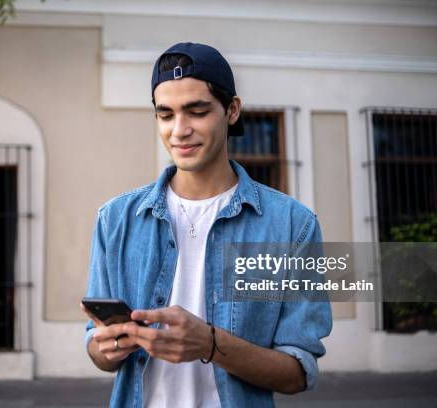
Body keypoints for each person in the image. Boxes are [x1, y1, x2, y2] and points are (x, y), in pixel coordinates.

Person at [81, 42, 332, 407]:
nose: (179, 130)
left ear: (232, 111)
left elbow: (297, 373)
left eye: (196, 112)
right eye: (165, 115)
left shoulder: (293, 226)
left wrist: (211, 344)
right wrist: (108, 347)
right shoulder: (115, 219)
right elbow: (97, 351)